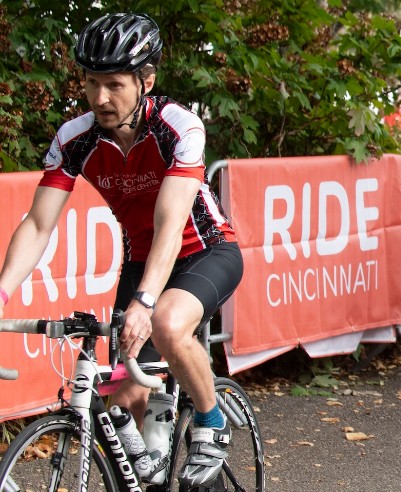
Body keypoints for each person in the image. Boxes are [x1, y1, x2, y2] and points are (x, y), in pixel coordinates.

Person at [0, 13, 242, 487]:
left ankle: (212, 424)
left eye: (114, 84)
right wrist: (3, 292)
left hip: (206, 252)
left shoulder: (178, 126)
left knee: (169, 325)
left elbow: (171, 226)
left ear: (146, 80)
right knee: (123, 400)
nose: (100, 98)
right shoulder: (76, 139)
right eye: (91, 83)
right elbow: (38, 224)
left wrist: (146, 302)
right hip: (140, 261)